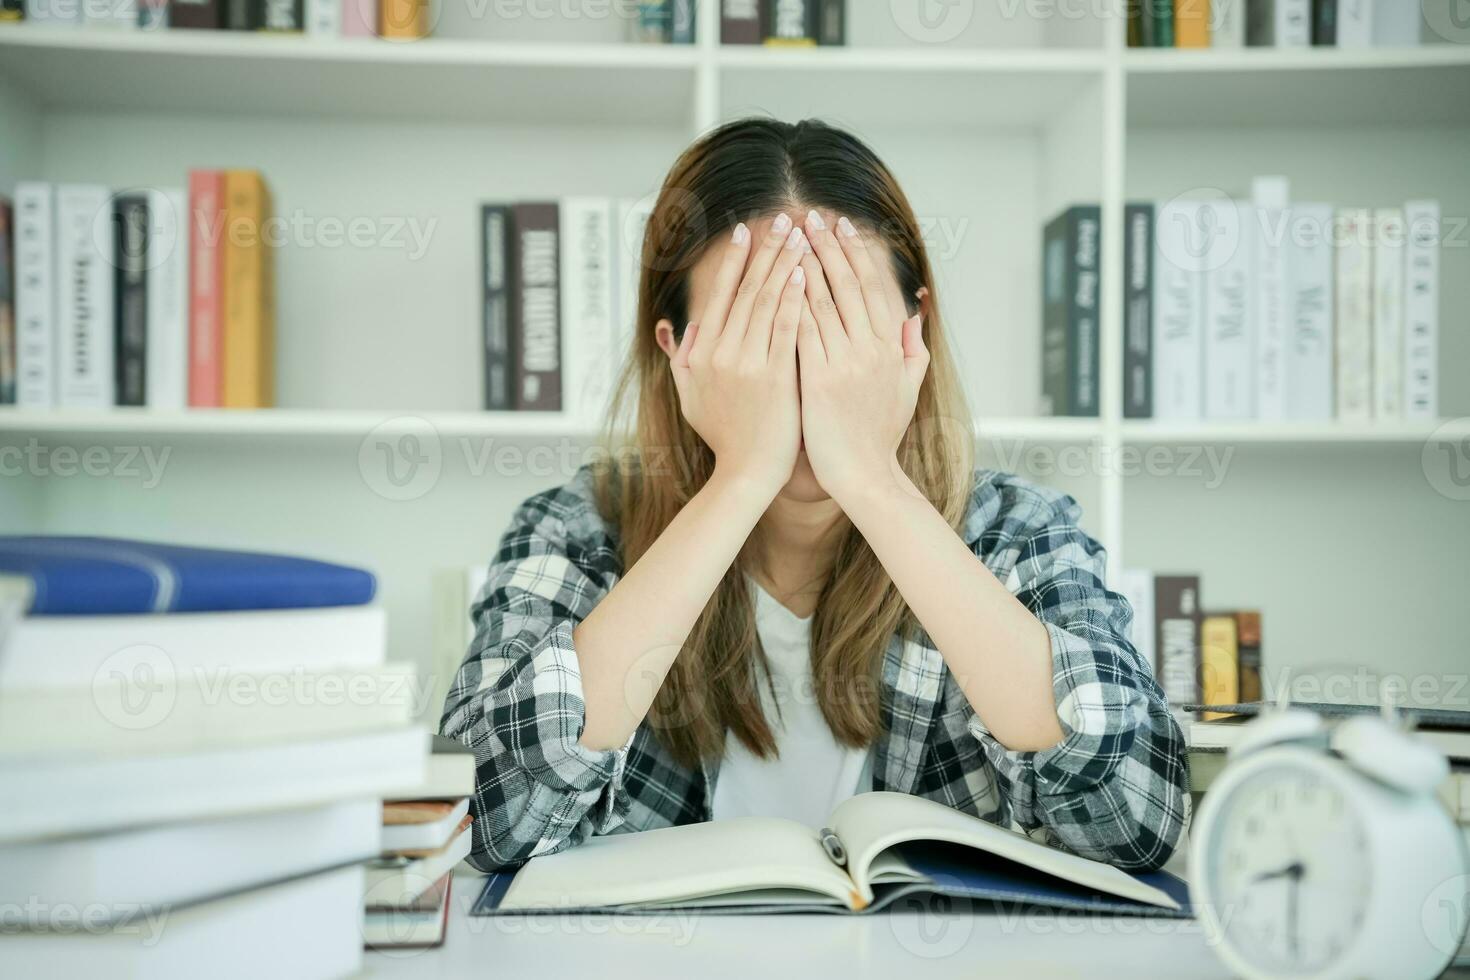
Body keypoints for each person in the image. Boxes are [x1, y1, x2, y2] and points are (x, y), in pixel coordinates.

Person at [441, 118, 1187, 874]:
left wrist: (871, 480)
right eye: (755, 332)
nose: (803, 375)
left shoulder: (1014, 531)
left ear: (913, 336)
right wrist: (739, 479)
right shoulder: (575, 531)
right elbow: (486, 820)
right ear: (676, 351)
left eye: (841, 326)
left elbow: (1136, 814)